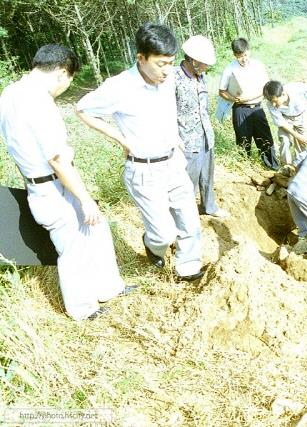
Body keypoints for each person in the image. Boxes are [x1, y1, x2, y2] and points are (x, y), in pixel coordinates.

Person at [0, 44, 133, 320]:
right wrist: (85, 200)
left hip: (40, 183)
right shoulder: (38, 102)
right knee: (72, 246)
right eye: (70, 79)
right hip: (52, 186)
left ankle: (109, 287)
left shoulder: (9, 94)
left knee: (97, 228)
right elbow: (58, 159)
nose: (66, 86)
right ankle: (83, 310)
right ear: (62, 72)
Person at [76, 23, 204, 282]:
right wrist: (120, 139)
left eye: (171, 63)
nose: (167, 71)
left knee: (190, 222)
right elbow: (82, 109)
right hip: (144, 170)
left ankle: (187, 267)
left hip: (172, 162)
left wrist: (175, 139)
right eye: (161, 64)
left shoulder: (166, 81)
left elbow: (166, 112)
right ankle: (152, 244)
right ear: (141, 58)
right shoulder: (120, 87)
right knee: (163, 234)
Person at [175, 35, 229, 219]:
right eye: (205, 63)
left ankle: (210, 207)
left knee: (207, 175)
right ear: (194, 60)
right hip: (186, 140)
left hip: (206, 135)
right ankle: (186, 217)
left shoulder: (202, 76)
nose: (207, 67)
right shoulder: (174, 78)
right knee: (188, 181)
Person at [218, 38, 279, 169]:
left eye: (245, 55)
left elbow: (267, 88)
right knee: (243, 141)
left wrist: (249, 97)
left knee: (265, 139)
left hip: (257, 108)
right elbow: (222, 91)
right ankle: (245, 168)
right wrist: (234, 99)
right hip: (240, 109)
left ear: (249, 51)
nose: (244, 59)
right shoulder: (229, 69)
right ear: (235, 55)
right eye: (240, 56)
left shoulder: (258, 65)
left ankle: (272, 167)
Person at [263, 80, 307, 165]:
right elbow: (281, 122)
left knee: (301, 143)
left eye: (275, 101)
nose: (273, 104)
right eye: (271, 101)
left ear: (283, 94)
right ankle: (287, 167)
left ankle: (300, 165)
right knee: (284, 140)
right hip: (285, 118)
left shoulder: (295, 89)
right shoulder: (270, 103)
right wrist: (297, 135)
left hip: (301, 115)